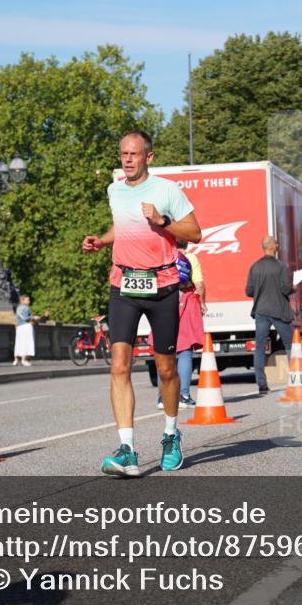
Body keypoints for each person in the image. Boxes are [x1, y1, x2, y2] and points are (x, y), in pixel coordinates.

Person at [82, 129, 202, 477]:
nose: (127, 160)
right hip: (124, 284)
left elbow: (195, 232)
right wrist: (102, 242)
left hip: (162, 285)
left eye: (134, 154)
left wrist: (162, 221)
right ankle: (128, 450)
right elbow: (122, 226)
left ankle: (169, 435)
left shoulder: (166, 190)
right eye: (123, 154)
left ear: (149, 156)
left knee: (166, 369)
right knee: (119, 365)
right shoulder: (114, 189)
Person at [155, 239, 206, 409]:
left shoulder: (163, 256)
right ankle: (183, 395)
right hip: (185, 300)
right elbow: (199, 284)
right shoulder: (191, 258)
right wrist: (203, 303)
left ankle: (163, 397)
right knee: (184, 350)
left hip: (162, 301)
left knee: (162, 350)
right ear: (187, 243)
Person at [246, 236, 296, 394]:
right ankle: (296, 379)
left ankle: (261, 384)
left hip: (261, 311)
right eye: (276, 243)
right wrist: (294, 287)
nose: (278, 245)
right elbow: (285, 289)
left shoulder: (254, 267)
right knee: (291, 344)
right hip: (279, 311)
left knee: (260, 347)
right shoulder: (280, 266)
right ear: (273, 247)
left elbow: (249, 291)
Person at [12, 294, 43, 367]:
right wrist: (34, 317)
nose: (29, 301)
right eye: (27, 300)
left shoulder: (18, 308)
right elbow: (25, 318)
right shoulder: (26, 308)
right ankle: (24, 359)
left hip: (19, 327)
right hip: (26, 326)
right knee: (26, 343)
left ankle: (16, 359)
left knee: (19, 343)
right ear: (22, 300)